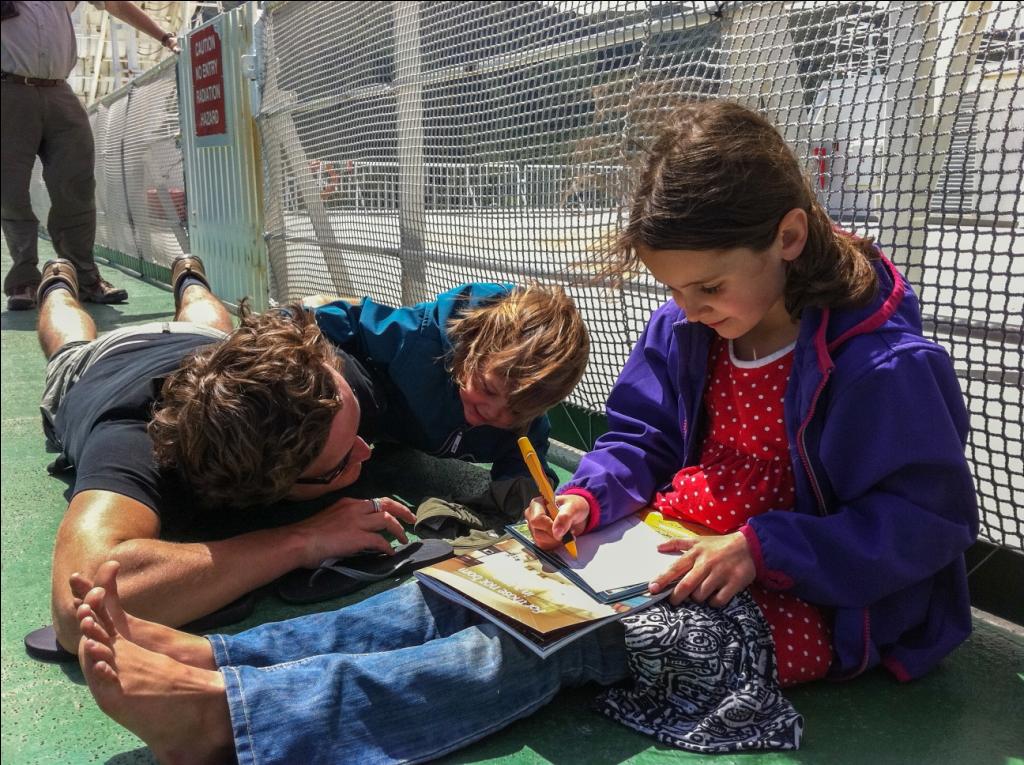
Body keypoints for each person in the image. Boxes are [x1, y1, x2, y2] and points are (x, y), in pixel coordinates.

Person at [71, 101, 977, 763]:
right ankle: (224, 654)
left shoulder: (884, 366)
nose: (689, 311)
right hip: (663, 549)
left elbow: (926, 526)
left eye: (706, 288)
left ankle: (237, 717)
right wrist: (588, 495)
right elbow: (640, 443)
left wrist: (763, 544)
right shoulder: (691, 327)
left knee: (538, 638)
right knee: (485, 579)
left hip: (803, 598)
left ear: (787, 236)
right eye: (674, 290)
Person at [39, 254, 415, 653]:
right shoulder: (130, 441)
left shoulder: (331, 389)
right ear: (270, 486)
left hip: (208, 349)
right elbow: (79, 608)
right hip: (102, 363)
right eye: (342, 460)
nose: (366, 451)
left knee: (209, 324)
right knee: (68, 343)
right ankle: (58, 283)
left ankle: (190, 276)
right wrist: (300, 540)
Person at [309, 282, 589, 484]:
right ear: (471, 350)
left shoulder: (524, 421)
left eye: (515, 411)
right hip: (375, 405)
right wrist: (285, 337)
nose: (494, 413)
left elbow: (528, 462)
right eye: (487, 388)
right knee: (339, 378)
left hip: (406, 438)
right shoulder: (415, 338)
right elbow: (345, 322)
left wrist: (523, 493)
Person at [1, 1, 180, 311]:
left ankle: (84, 278)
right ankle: (24, 280)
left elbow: (115, 5)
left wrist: (165, 36)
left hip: (59, 92)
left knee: (78, 186)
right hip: (9, 91)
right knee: (9, 189)